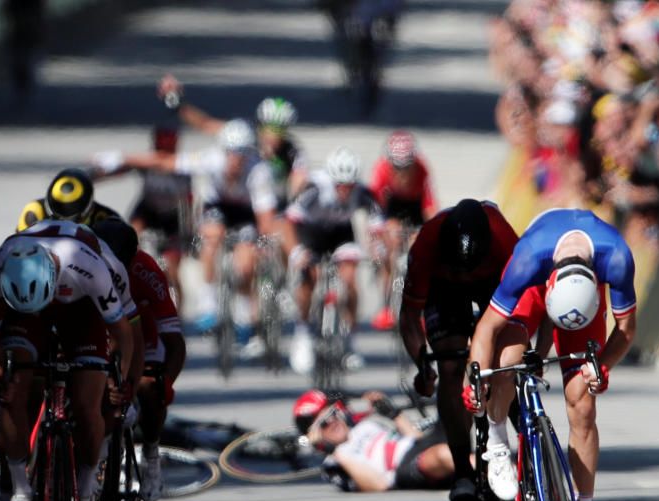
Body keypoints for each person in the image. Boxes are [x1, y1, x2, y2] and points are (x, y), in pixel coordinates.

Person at [465, 208, 637, 501]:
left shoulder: (617, 258)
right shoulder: (528, 258)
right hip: (534, 287)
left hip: (581, 307)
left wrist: (600, 365)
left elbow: (625, 329)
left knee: (583, 406)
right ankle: (497, 443)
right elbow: (486, 330)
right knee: (509, 357)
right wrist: (476, 380)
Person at [0, 218, 137, 501]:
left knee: (86, 401)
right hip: (24, 313)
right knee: (14, 391)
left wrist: (118, 376)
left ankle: (87, 493)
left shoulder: (90, 266)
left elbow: (123, 333)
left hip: (82, 310)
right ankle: (16, 499)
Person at [102, 120, 278, 354]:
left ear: (249, 154)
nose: (235, 160)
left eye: (242, 154)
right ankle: (209, 299)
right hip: (218, 207)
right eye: (231, 154)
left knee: (246, 263)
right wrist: (122, 158)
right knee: (211, 235)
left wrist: (263, 245)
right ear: (223, 151)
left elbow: (265, 218)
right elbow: (164, 161)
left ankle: (245, 313)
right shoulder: (211, 159)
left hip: (246, 212)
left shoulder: (259, 172)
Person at [398, 199, 519, 501]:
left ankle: (527, 449)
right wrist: (424, 367)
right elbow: (410, 317)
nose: (466, 272)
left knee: (504, 363)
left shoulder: (504, 239)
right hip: (444, 290)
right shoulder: (427, 243)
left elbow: (528, 301)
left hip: (493, 284)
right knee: (450, 367)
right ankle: (462, 472)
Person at [89, 218, 185, 501]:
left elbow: (174, 342)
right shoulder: (89, 267)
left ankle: (151, 455)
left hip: (145, 336)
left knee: (150, 387)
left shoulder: (148, 272)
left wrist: (165, 382)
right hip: (102, 334)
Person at [283, 147, 378, 375]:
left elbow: (378, 223)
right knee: (309, 277)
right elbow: (288, 222)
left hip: (341, 234)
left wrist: (378, 248)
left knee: (350, 278)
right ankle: (303, 334)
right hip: (312, 234)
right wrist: (296, 252)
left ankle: (350, 341)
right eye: (340, 186)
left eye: (350, 186)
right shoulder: (314, 189)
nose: (345, 191)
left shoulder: (362, 192)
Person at [156, 74, 309, 208]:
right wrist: (175, 102)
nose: (272, 136)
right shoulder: (243, 135)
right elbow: (205, 124)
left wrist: (295, 203)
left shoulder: (292, 152)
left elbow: (299, 180)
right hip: (234, 202)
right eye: (268, 128)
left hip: (268, 207)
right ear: (260, 125)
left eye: (279, 130)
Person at [91, 126, 193, 303]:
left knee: (173, 270)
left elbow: (189, 201)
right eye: (159, 149)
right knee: (129, 236)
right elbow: (120, 171)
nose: (162, 154)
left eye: (167, 150)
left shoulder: (182, 168)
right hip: (148, 210)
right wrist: (91, 178)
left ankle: (179, 314)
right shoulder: (146, 164)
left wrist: (189, 231)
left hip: (172, 217)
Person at [293, 389, 454, 492]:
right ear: (314, 436)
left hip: (419, 448)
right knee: (442, 454)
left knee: (452, 397)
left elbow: (416, 440)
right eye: (324, 423)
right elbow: (380, 484)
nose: (334, 422)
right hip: (404, 468)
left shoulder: (364, 426)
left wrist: (394, 415)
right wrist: (333, 451)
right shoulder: (334, 464)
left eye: (334, 413)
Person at [366, 130, 438, 330]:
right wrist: (377, 240)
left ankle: (422, 304)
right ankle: (387, 303)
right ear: (389, 162)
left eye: (407, 167)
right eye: (397, 168)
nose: (403, 173)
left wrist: (433, 233)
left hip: (414, 207)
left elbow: (430, 207)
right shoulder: (381, 170)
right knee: (390, 242)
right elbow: (374, 210)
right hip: (391, 208)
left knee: (421, 247)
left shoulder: (422, 170)